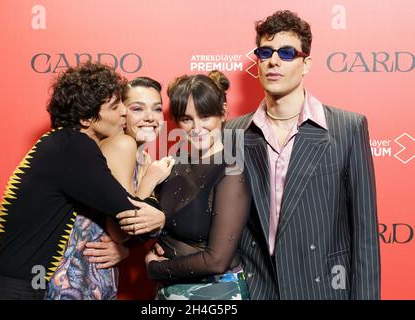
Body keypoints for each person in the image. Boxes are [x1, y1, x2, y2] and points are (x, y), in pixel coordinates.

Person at [0, 62, 165, 300]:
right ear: (87, 118)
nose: (124, 113)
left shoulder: (62, 143)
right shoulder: (74, 147)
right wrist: (158, 212)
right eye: (116, 107)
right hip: (15, 290)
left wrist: (124, 249)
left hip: (14, 285)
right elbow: (128, 213)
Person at [225, 10, 380, 299]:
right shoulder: (233, 132)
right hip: (257, 290)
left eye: (286, 53)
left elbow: (366, 236)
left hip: (322, 290)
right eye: (265, 52)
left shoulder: (347, 128)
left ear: (306, 64)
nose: (274, 61)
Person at [119, 71, 251, 300]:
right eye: (187, 119)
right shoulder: (171, 164)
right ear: (177, 121)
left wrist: (154, 268)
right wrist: (149, 180)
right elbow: (137, 232)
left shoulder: (231, 172)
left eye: (205, 116)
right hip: (167, 293)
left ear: (223, 113)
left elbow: (216, 261)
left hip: (217, 294)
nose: (197, 127)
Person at [46, 76, 173, 300]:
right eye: (137, 109)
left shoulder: (142, 156)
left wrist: (126, 250)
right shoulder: (122, 144)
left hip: (97, 271)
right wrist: (149, 182)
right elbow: (121, 229)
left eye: (157, 109)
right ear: (121, 112)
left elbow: (122, 237)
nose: (150, 118)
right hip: (77, 275)